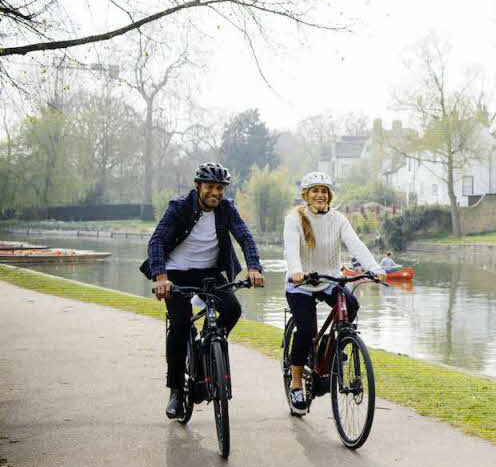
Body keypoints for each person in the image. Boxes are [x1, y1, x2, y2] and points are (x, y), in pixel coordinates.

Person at [141, 162, 265, 419]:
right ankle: (176, 390)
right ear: (198, 186)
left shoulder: (227, 209)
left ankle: (208, 346)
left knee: (232, 309)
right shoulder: (179, 207)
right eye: (210, 187)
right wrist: (161, 276)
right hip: (176, 273)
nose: (215, 193)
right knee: (179, 324)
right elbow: (158, 241)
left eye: (220, 188)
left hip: (209, 271)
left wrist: (254, 267)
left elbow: (245, 237)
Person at [283, 171, 385, 415]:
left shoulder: (338, 219)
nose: (320, 194)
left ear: (329, 195)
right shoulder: (294, 219)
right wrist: (296, 270)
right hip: (301, 284)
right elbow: (290, 248)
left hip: (330, 279)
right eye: (315, 190)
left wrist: (375, 268)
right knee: (306, 330)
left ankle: (331, 348)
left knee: (351, 306)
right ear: (306, 195)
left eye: (324, 190)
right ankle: (296, 384)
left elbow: (356, 244)